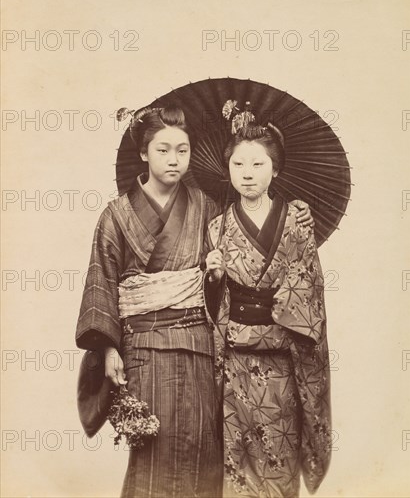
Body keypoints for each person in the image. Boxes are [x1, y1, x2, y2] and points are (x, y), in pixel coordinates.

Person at [75, 105, 314, 498]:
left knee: (205, 447)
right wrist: (108, 346)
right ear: (143, 153)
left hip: (201, 345)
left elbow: (247, 239)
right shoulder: (116, 216)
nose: (174, 160)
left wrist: (298, 210)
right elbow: (101, 281)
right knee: (154, 452)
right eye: (163, 150)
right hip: (145, 348)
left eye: (182, 150)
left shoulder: (206, 207)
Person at [205, 120, 331, 498]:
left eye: (258, 165)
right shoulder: (217, 227)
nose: (247, 175)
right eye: (238, 165)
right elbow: (214, 303)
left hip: (282, 359)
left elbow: (311, 284)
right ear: (227, 169)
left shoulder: (297, 220)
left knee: (278, 457)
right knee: (238, 462)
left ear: (275, 168)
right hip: (236, 359)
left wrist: (280, 302)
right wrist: (213, 277)